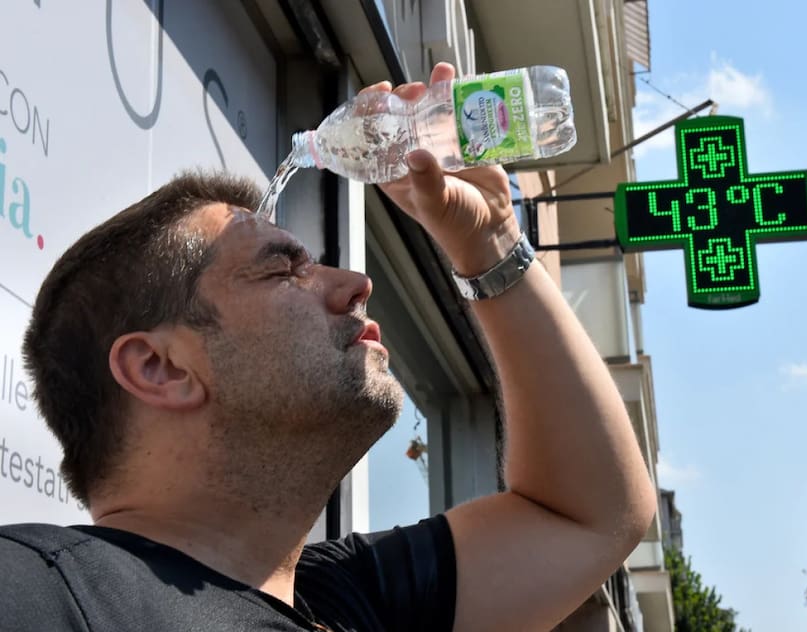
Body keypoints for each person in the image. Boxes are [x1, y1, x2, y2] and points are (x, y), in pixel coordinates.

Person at [0, 63, 655, 631]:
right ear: (160, 367)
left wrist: (492, 244)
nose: (356, 284)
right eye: (282, 270)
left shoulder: (348, 601)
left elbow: (593, 515)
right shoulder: (39, 593)